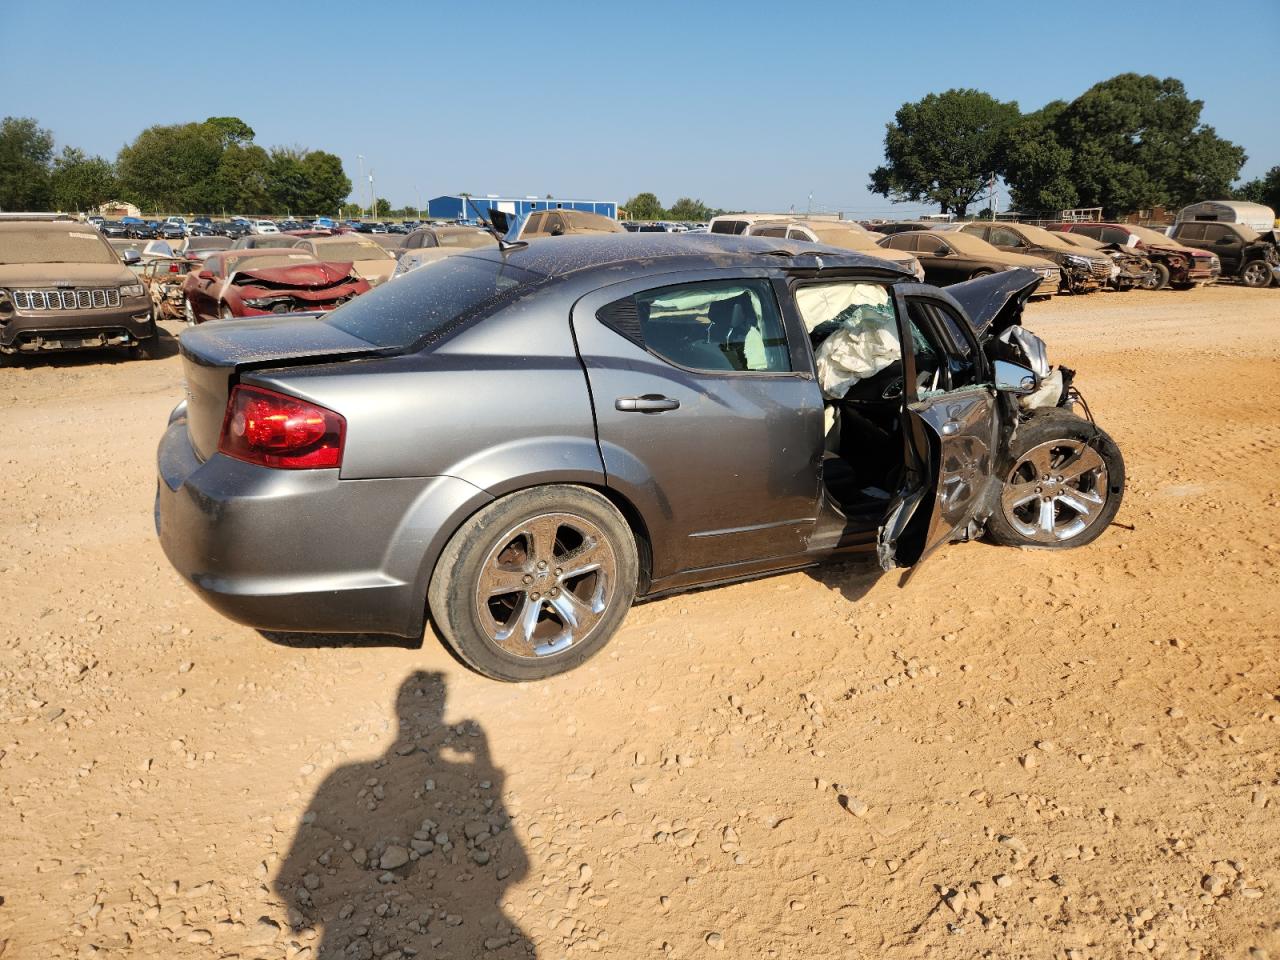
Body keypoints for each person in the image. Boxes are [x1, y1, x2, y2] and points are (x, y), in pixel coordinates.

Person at [276, 671, 531, 957]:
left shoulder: (342, 776)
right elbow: (520, 868)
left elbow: (284, 883)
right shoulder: (346, 776)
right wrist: (484, 760)